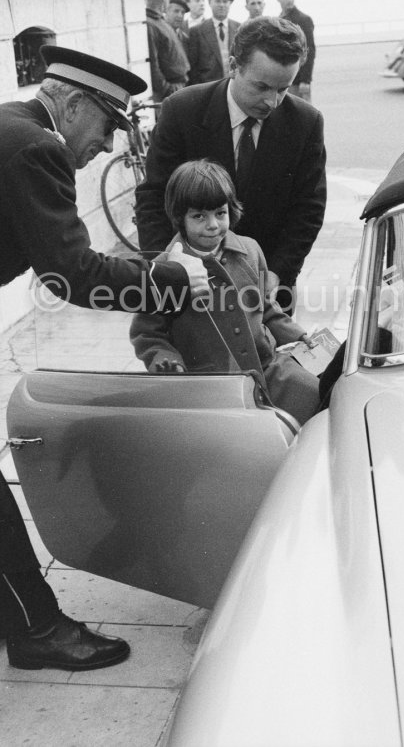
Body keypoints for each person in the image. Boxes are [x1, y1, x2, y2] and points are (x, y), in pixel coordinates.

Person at [0, 45, 208, 671]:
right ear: (66, 99)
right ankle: (37, 630)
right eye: (104, 122)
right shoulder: (35, 147)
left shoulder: (10, 123)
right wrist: (170, 280)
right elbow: (72, 274)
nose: (104, 146)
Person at [135, 16, 327, 314]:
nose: (272, 102)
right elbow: (152, 197)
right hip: (189, 284)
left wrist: (279, 272)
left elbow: (309, 208)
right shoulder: (181, 110)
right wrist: (169, 266)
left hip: (267, 289)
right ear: (234, 66)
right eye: (261, 87)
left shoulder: (306, 122)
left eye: (283, 89)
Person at [130, 160, 320, 425]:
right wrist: (168, 363)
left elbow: (266, 308)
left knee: (319, 399)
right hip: (212, 385)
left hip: (268, 368)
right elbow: (147, 333)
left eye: (220, 213)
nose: (213, 225)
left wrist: (297, 335)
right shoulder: (164, 270)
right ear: (179, 219)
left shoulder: (251, 250)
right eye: (199, 216)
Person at [145, 0, 190, 101]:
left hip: (178, 88)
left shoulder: (160, 22)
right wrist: (168, 90)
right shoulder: (150, 24)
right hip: (169, 93)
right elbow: (152, 65)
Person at [187, 0, 240, 85]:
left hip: (234, 86)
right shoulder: (197, 31)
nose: (221, 5)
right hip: (208, 87)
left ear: (230, 4)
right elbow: (193, 68)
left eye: (225, 1)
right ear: (210, 3)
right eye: (218, 1)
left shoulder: (239, 28)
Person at [277, 0, 316, 103]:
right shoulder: (279, 19)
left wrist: (306, 80)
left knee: (303, 116)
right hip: (283, 79)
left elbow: (309, 50)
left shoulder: (303, 19)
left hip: (298, 80)